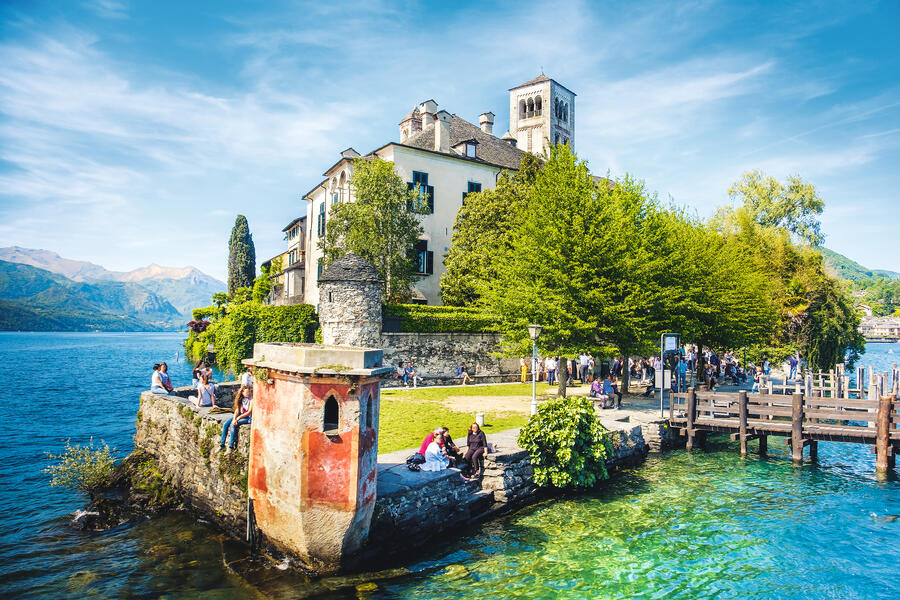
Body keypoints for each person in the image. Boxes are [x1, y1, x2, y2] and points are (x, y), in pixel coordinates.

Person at [220, 385, 252, 450]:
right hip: (240, 415)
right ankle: (222, 444)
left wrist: (238, 418)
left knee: (232, 425)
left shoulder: (251, 400)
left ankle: (231, 445)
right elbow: (237, 411)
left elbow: (249, 412)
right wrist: (234, 418)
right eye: (246, 392)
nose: (248, 394)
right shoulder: (241, 400)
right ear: (242, 393)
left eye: (249, 392)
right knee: (225, 424)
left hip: (247, 418)